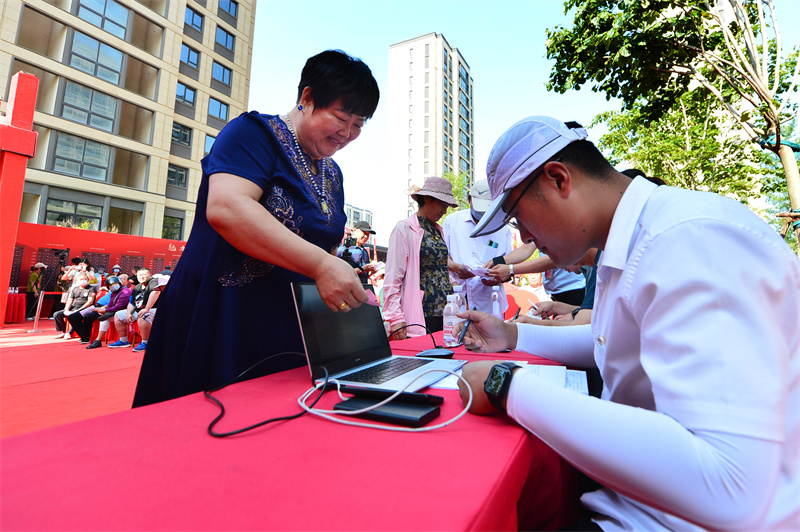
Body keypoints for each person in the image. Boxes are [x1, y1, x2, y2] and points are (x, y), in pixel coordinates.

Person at [457, 116, 799, 531]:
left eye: (517, 217)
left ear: (558, 180)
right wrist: (512, 334)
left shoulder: (689, 238)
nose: (524, 236)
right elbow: (615, 342)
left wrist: (506, 385)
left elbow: (731, 486)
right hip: (645, 499)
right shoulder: (632, 240)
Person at [132, 50, 379, 407]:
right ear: (307, 99)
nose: (348, 133)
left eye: (359, 124)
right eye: (341, 118)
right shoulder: (253, 133)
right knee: (209, 424)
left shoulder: (332, 173)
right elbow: (228, 208)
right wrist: (322, 266)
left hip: (288, 323)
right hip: (224, 312)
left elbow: (324, 246)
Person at [382, 177, 459, 339]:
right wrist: (395, 317)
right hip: (421, 313)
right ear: (428, 199)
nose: (444, 211)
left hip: (445, 312)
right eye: (442, 205)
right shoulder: (404, 229)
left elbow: (441, 269)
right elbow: (392, 279)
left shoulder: (439, 231)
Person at [442, 179, 513, 314]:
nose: (482, 214)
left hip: (491, 301)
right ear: (469, 199)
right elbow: (442, 258)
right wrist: (456, 268)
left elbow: (509, 264)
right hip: (458, 295)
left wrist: (498, 277)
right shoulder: (452, 222)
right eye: (479, 208)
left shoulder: (502, 228)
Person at [109, 268, 160, 351]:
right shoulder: (137, 287)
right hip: (140, 309)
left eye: (144, 274)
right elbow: (132, 303)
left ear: (150, 275)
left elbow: (155, 292)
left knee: (143, 314)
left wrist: (147, 308)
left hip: (155, 309)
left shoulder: (154, 282)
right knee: (119, 315)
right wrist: (128, 313)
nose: (142, 276)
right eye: (140, 275)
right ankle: (123, 340)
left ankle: (145, 342)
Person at [73, 276, 132, 348]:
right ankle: (98, 341)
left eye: (114, 284)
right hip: (115, 311)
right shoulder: (114, 291)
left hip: (125, 311)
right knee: (103, 318)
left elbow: (118, 307)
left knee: (97, 316)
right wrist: (103, 307)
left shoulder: (125, 292)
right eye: (110, 285)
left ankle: (122, 340)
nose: (112, 286)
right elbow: (111, 303)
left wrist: (104, 310)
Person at [53, 272, 96, 339]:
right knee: (57, 314)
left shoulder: (91, 289)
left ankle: (70, 332)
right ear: (77, 281)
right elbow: (70, 300)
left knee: (74, 316)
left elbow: (90, 302)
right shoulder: (75, 289)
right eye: (81, 279)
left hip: (85, 308)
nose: (83, 280)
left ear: (87, 280)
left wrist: (78, 310)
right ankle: (64, 332)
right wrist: (66, 309)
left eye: (84, 279)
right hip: (74, 307)